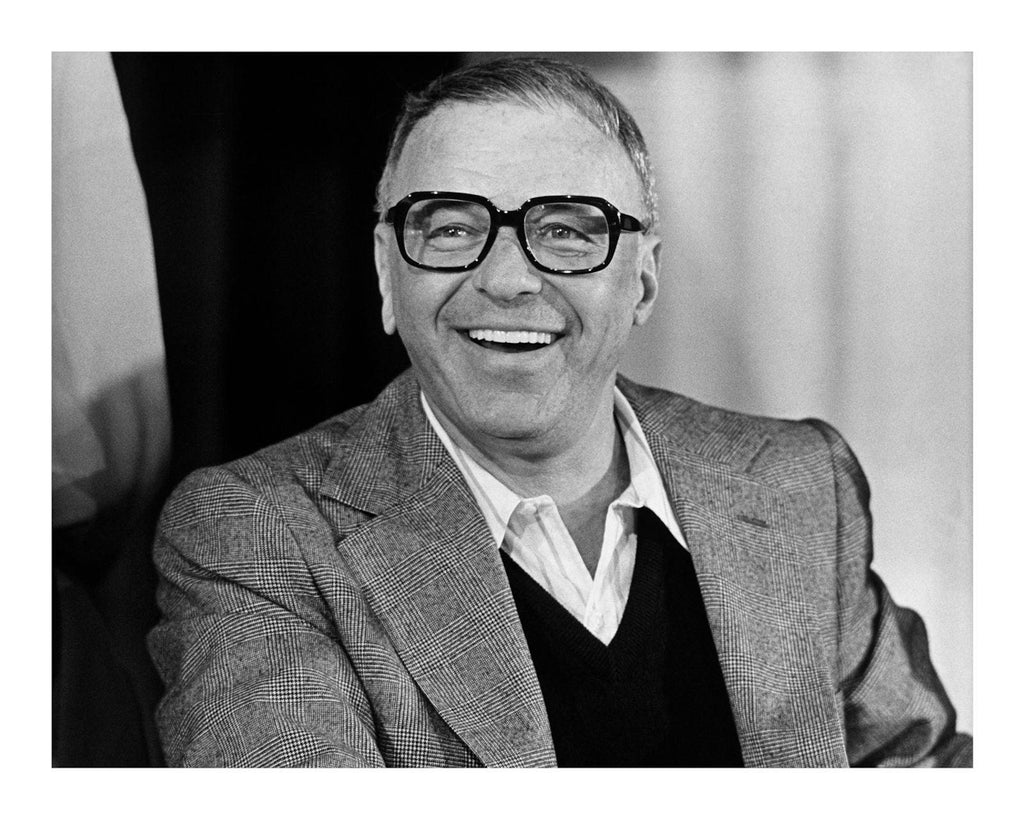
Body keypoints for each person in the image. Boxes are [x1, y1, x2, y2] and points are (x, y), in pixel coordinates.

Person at [148, 56, 972, 767]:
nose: (507, 279)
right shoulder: (256, 536)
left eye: (569, 231)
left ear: (643, 279)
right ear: (386, 274)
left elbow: (924, 771)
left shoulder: (798, 485)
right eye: (450, 227)